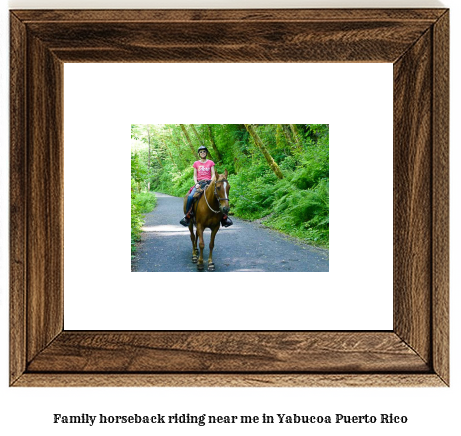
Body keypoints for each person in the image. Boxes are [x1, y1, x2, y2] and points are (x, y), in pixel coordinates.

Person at [180, 145, 233, 227]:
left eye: (204, 151)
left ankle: (224, 218)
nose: (202, 153)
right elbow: (195, 175)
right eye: (201, 152)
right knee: (190, 197)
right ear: (199, 154)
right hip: (199, 183)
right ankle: (187, 216)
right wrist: (196, 183)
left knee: (219, 196)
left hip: (209, 182)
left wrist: (211, 181)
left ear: (206, 153)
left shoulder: (210, 162)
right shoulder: (196, 163)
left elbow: (213, 174)